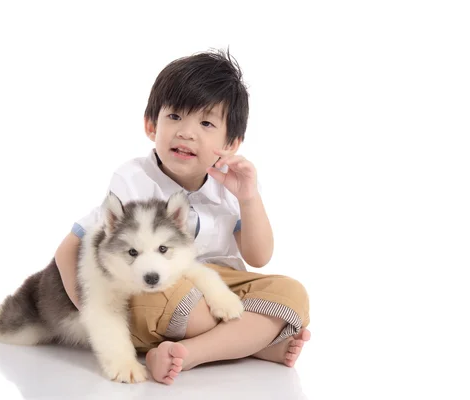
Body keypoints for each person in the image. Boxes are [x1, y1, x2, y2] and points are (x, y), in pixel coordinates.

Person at [54, 49, 311, 385]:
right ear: (151, 125)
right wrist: (96, 315)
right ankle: (252, 341)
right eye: (174, 117)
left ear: (231, 142)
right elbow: (68, 249)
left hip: (222, 288)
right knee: (186, 305)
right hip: (160, 290)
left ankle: (190, 352)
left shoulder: (230, 185)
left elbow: (259, 257)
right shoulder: (133, 181)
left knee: (293, 294)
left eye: (205, 123)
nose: (186, 132)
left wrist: (248, 197)